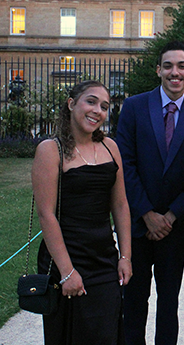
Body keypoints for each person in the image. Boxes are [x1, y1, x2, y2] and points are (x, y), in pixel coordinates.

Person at [116, 41, 184, 345]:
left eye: (181, 66)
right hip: (136, 225)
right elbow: (124, 163)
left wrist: (169, 216)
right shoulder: (133, 107)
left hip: (175, 227)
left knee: (169, 304)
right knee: (133, 302)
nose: (175, 72)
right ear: (158, 70)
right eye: (168, 65)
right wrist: (147, 213)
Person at [33, 80, 132, 344]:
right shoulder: (50, 150)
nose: (98, 110)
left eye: (104, 106)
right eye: (91, 101)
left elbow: (120, 205)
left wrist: (126, 256)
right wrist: (67, 272)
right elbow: (46, 215)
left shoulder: (111, 147)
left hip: (103, 260)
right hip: (67, 258)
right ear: (71, 104)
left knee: (107, 333)